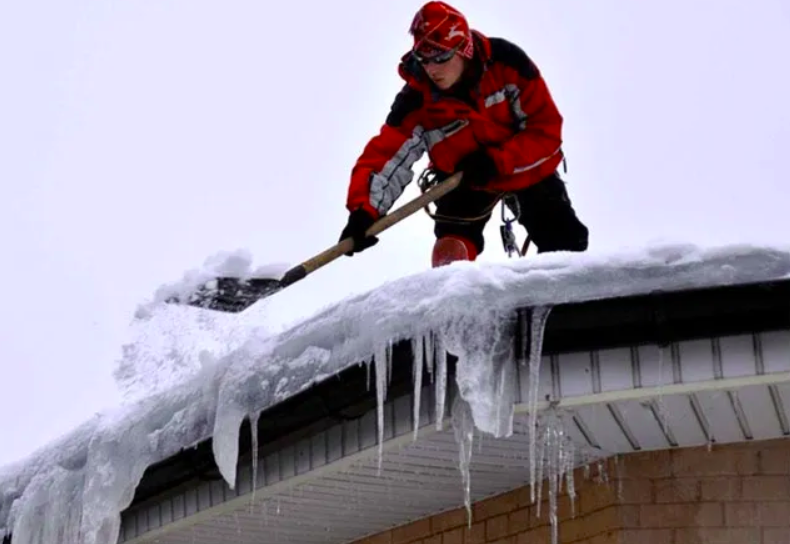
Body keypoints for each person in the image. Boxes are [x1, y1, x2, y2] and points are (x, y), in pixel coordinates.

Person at [339, 1, 589, 267]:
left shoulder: (508, 64)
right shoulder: (415, 101)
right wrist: (364, 212)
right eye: (424, 60)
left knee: (564, 240)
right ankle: (460, 300)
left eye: (441, 58)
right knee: (450, 253)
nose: (432, 69)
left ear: (464, 49)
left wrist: (497, 161)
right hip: (462, 179)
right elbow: (384, 156)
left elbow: (545, 129)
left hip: (524, 166)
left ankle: (565, 297)